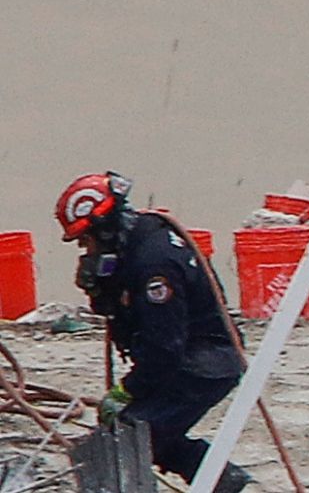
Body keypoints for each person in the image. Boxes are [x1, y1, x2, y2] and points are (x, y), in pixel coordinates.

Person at [56, 173, 252, 492]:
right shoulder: (137, 242)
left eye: (87, 240)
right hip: (188, 357)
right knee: (147, 433)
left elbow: (163, 348)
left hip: (206, 364)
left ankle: (217, 480)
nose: (86, 250)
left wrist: (126, 391)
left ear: (105, 229)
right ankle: (223, 480)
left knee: (131, 436)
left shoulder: (155, 266)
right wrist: (102, 291)